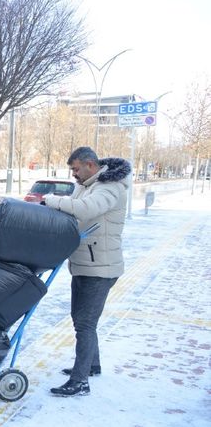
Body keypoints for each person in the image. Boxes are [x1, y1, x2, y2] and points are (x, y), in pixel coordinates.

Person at [42, 146, 131, 397]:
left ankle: (80, 381)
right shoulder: (87, 184)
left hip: (101, 268)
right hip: (84, 263)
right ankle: (91, 365)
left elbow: (84, 209)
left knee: (85, 323)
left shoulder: (110, 187)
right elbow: (74, 211)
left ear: (90, 165)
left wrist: (51, 200)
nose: (74, 174)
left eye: (76, 168)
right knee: (80, 318)